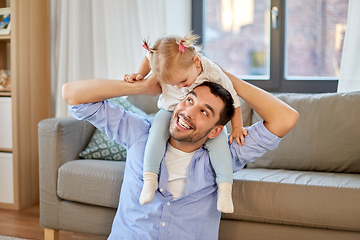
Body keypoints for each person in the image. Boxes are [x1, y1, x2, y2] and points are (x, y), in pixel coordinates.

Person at [62, 72, 299, 240]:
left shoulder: (227, 154)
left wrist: (226, 78)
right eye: (189, 101)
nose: (187, 113)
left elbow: (286, 118)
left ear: (216, 130)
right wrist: (141, 87)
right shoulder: (140, 133)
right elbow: (72, 95)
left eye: (203, 112)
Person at [124, 32, 247, 213]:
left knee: (219, 141)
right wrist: (140, 74)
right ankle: (150, 179)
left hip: (198, 118)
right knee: (156, 133)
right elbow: (148, 56)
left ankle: (225, 189)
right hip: (170, 110)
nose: (180, 87)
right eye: (172, 84)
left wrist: (237, 127)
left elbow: (233, 99)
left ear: (196, 62)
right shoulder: (161, 59)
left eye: (183, 81)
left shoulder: (211, 71)